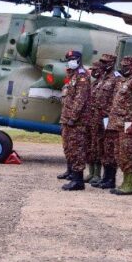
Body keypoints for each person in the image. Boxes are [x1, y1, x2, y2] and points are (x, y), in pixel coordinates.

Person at [107, 56, 132, 195]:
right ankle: (124, 182)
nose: (123, 68)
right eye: (122, 65)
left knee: (128, 154)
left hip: (128, 124)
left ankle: (130, 185)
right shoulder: (122, 81)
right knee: (120, 154)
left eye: (126, 66)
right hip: (117, 124)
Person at [59, 50, 90, 191]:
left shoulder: (82, 76)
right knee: (70, 148)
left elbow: (80, 99)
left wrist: (73, 117)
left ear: (79, 59)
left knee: (77, 149)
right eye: (69, 59)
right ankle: (73, 176)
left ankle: (78, 181)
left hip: (76, 120)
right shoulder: (73, 76)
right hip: (67, 119)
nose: (71, 60)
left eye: (74, 58)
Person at [91, 53, 121, 190]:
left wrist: (111, 117)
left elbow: (118, 99)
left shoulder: (116, 78)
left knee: (109, 149)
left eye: (105, 62)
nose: (103, 64)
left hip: (108, 118)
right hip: (99, 118)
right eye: (102, 62)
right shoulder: (103, 78)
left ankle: (111, 179)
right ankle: (104, 177)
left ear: (112, 63)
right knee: (101, 148)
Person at [83, 61, 104, 185]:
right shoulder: (94, 83)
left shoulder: (104, 83)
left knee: (98, 147)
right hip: (90, 120)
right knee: (89, 147)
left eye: (96, 69)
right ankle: (91, 173)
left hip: (99, 121)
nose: (93, 71)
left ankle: (97, 174)